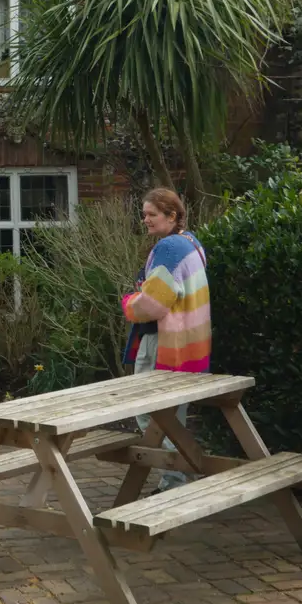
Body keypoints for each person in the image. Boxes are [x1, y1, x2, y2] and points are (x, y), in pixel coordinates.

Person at [121, 187, 210, 491]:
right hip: (189, 343)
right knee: (173, 416)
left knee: (151, 414)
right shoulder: (191, 242)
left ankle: (176, 481)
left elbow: (154, 304)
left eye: (152, 214)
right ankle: (180, 477)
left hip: (163, 344)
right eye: (144, 214)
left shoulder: (169, 248)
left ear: (172, 216)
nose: (145, 219)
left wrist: (129, 303)